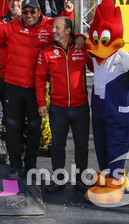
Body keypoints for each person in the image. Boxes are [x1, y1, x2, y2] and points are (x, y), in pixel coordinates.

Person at [0, 0, 74, 179]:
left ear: (39, 12)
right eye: (25, 12)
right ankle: (15, 165)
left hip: (35, 89)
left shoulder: (48, 25)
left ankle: (31, 165)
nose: (29, 15)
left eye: (32, 12)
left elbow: (64, 27)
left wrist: (68, 12)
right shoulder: (13, 26)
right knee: (13, 127)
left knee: (34, 128)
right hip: (13, 86)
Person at [35, 17, 90, 193]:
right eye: (53, 28)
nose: (53, 31)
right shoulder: (47, 52)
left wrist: (83, 39)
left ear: (68, 31)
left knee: (82, 145)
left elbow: (97, 64)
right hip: (58, 108)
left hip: (80, 107)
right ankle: (58, 179)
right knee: (57, 145)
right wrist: (42, 102)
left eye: (57, 28)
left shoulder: (83, 48)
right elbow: (39, 79)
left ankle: (81, 180)